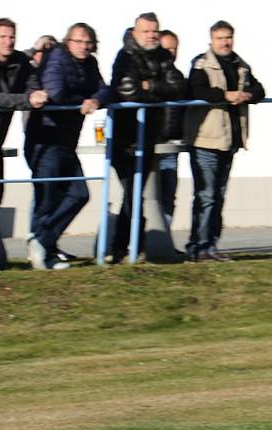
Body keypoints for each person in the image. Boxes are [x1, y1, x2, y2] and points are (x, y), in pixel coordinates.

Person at [24, 22, 109, 270]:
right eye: (78, 41)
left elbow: (106, 90)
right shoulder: (56, 58)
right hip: (45, 138)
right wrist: (84, 99)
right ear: (67, 42)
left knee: (79, 194)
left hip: (67, 141)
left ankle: (42, 242)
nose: (84, 46)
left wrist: (96, 99)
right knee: (47, 199)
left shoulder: (90, 64)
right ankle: (42, 252)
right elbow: (55, 93)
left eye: (88, 42)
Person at [184, 19, 264, 262]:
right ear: (211, 40)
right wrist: (225, 96)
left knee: (217, 196)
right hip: (205, 140)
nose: (225, 42)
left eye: (228, 37)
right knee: (205, 196)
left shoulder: (240, 64)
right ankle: (197, 247)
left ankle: (211, 246)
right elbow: (196, 91)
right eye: (220, 38)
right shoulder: (201, 64)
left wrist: (247, 95)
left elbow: (260, 90)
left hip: (229, 140)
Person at [109, 12, 185, 264]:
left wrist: (149, 87)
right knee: (133, 193)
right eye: (146, 31)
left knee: (135, 193)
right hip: (126, 137)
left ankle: (120, 249)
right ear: (134, 33)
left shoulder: (162, 56)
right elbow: (128, 92)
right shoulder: (125, 56)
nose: (152, 35)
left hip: (150, 136)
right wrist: (157, 90)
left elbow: (179, 87)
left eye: (155, 31)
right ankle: (130, 247)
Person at [0, 17, 48, 273]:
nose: (8, 41)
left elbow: (31, 83)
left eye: (12, 37)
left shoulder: (19, 61)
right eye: (2, 37)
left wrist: (37, 93)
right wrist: (26, 100)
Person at [157, 29, 183, 229]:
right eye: (166, 48)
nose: (171, 52)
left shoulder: (178, 77)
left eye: (174, 48)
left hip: (171, 145)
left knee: (168, 195)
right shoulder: (150, 75)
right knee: (146, 195)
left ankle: (164, 240)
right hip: (151, 144)